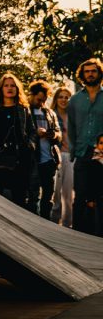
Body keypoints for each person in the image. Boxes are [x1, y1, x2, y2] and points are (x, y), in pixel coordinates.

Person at [0, 73, 36, 207]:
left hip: (19, 160)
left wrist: (30, 145)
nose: (10, 88)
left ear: (17, 88)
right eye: (6, 85)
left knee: (19, 201)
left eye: (13, 85)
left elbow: (32, 131)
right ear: (1, 88)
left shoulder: (23, 108)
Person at [68, 57, 103, 232]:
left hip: (101, 154)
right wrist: (74, 150)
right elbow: (71, 127)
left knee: (100, 197)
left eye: (93, 71)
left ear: (99, 73)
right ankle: (78, 233)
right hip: (82, 153)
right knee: (80, 196)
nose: (90, 74)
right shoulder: (74, 100)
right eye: (87, 71)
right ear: (82, 74)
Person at [26, 80, 61, 220]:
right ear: (32, 95)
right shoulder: (25, 111)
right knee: (32, 197)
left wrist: (52, 134)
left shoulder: (49, 112)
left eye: (44, 100)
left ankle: (47, 223)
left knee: (48, 197)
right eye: (39, 99)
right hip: (32, 161)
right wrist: (36, 133)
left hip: (49, 160)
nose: (41, 103)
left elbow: (59, 134)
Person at [51, 86, 74, 228]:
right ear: (56, 99)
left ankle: (67, 225)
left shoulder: (73, 116)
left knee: (68, 194)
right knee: (55, 194)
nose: (64, 100)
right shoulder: (51, 114)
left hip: (71, 156)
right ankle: (53, 223)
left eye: (66, 97)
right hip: (56, 156)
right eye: (61, 97)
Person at [84, 133, 103, 235]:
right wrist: (90, 199)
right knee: (97, 223)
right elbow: (90, 182)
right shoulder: (94, 162)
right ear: (97, 145)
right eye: (101, 143)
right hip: (97, 198)